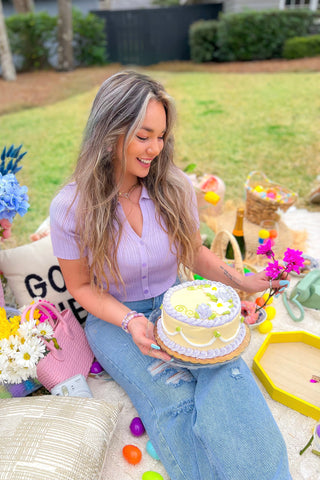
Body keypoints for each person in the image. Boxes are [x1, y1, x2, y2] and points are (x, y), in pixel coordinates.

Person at [50, 71, 292, 480]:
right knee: (174, 398)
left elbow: (191, 251)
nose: (155, 149)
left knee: (228, 372)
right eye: (143, 136)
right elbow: (80, 287)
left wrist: (240, 280)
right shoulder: (69, 207)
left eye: (160, 136)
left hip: (179, 302)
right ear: (111, 129)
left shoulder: (174, 186)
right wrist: (131, 321)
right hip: (116, 321)